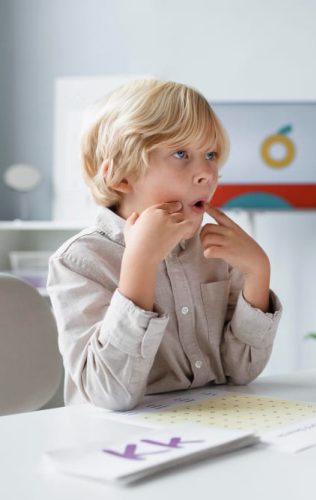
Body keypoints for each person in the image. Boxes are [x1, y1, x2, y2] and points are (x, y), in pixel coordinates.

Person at [47, 80, 282, 411]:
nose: (206, 173)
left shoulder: (216, 250)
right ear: (122, 176)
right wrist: (140, 264)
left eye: (211, 155)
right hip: (113, 444)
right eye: (181, 153)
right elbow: (108, 393)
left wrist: (259, 273)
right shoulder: (80, 261)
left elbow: (241, 372)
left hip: (210, 425)